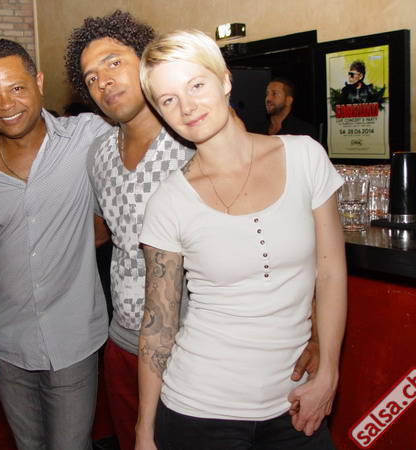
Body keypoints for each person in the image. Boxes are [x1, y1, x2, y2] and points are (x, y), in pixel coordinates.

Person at [65, 11, 322, 450]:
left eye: (114, 62)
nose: (103, 81)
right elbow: (108, 236)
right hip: (123, 341)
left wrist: (314, 332)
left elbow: (278, 237)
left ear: (145, 63)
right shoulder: (99, 155)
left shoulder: (198, 132)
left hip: (197, 351)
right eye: (91, 77)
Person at [136, 30, 347, 449]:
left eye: (196, 85)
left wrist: (329, 372)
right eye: (169, 99)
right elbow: (158, 326)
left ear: (225, 80)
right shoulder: (168, 200)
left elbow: (331, 273)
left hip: (295, 405)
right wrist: (145, 429)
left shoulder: (305, 156)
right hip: (198, 409)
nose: (187, 107)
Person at [0, 39, 111, 450]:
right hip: (6, 342)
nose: (6, 105)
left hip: (73, 339)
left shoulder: (87, 136)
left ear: (39, 82)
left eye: (16, 88)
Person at [252, 77, 317, 140]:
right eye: (267, 94)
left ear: (288, 100)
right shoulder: (257, 131)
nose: (268, 98)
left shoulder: (302, 132)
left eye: (274, 94)